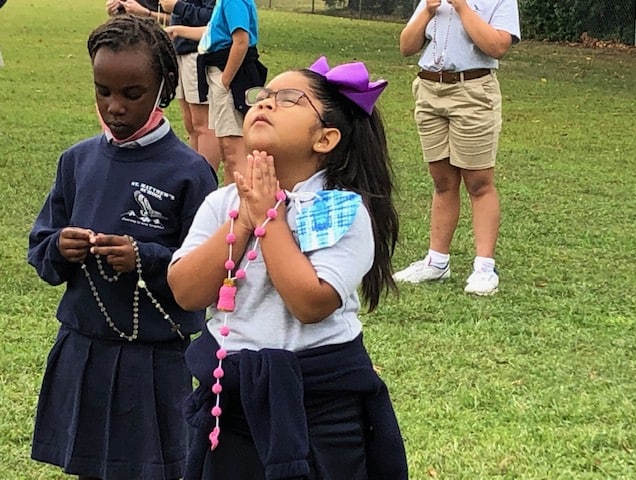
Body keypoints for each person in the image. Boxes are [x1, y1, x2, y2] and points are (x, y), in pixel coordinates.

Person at [167, 57, 408, 479]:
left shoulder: (341, 210)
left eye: (289, 99)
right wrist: (243, 220)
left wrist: (268, 219)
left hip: (319, 407)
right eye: (262, 97)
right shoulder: (222, 203)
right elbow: (186, 292)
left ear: (326, 139)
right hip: (231, 402)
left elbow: (310, 301)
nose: (265, 104)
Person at [27, 14, 217, 480]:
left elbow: (208, 272)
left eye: (132, 94)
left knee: (154, 470)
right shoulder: (76, 161)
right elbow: (40, 250)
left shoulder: (190, 172)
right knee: (90, 466)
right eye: (103, 91)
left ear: (163, 89)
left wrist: (144, 257)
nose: (115, 107)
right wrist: (59, 247)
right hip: (83, 346)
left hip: (152, 357)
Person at [395, 0, 520, 295]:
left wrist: (463, 6)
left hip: (473, 93)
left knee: (478, 183)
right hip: (429, 91)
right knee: (442, 180)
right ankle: (437, 262)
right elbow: (406, 46)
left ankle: (484, 268)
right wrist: (427, 10)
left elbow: (497, 46)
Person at [106, 0, 222, 170]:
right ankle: (195, 173)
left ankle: (205, 180)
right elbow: (167, 15)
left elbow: (214, 19)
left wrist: (176, 6)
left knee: (203, 124)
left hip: (199, 54)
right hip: (180, 51)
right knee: (190, 124)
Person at [165, 0, 267, 185]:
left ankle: (240, 205)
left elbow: (241, 41)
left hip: (231, 75)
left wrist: (225, 80)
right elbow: (214, 32)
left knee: (233, 150)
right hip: (221, 72)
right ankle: (228, 204)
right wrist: (178, 30)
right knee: (227, 149)